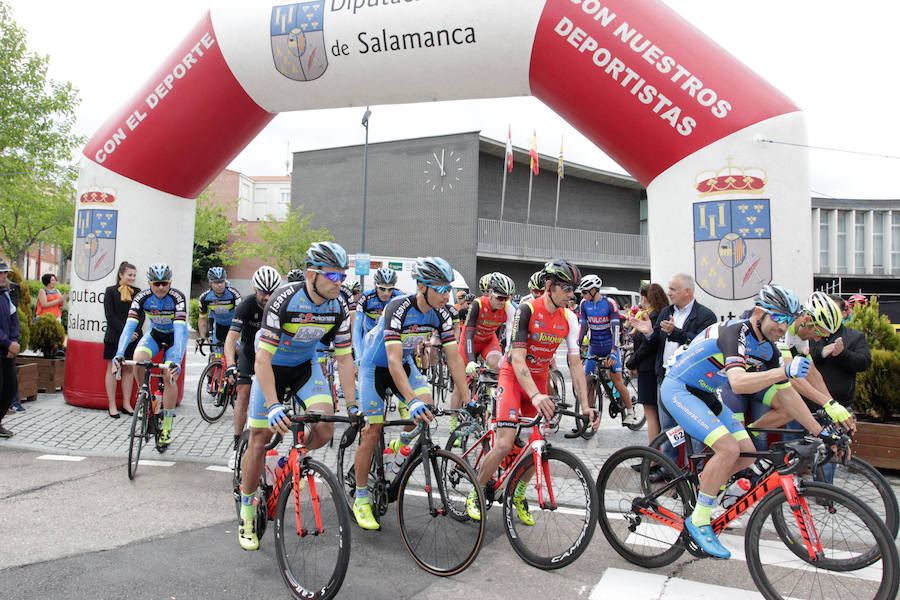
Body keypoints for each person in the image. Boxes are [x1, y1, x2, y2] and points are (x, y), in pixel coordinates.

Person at [634, 283, 837, 559]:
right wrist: (784, 372)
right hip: (679, 388)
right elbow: (739, 383)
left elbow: (787, 394)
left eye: (789, 320)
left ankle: (707, 488)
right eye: (779, 317)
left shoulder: (768, 348)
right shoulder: (735, 332)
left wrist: (820, 431)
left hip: (706, 393)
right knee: (728, 448)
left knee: (747, 452)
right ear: (760, 313)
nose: (784, 326)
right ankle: (699, 519)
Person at [237, 242, 356, 551]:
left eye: (343, 276)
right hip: (271, 368)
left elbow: (344, 359)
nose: (338, 282)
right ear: (311, 274)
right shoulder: (284, 300)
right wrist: (274, 404)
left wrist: (354, 406)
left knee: (325, 428)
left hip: (305, 368)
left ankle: (285, 466)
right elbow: (261, 360)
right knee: (259, 439)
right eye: (332, 275)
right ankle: (248, 511)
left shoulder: (339, 306)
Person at [466, 259, 600, 522]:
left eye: (574, 290)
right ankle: (477, 489)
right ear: (549, 286)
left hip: (538, 379)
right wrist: (537, 396)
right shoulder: (526, 310)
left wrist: (584, 405)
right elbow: (517, 359)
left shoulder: (570, 318)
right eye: (567, 289)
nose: (572, 295)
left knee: (535, 443)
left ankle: (518, 493)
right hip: (513, 377)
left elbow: (575, 364)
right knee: (505, 443)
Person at [352, 257, 469, 531]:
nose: (446, 294)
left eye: (448, 288)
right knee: (372, 429)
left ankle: (399, 445)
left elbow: (454, 359)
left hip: (404, 365)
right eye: (440, 288)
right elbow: (391, 361)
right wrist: (411, 400)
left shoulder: (442, 314)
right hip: (375, 368)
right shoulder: (398, 307)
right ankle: (360, 497)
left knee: (426, 409)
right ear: (421, 286)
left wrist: (469, 399)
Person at [640, 273, 717, 466]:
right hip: (665, 378)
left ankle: (699, 471)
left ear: (687, 291)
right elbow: (657, 342)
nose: (669, 293)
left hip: (692, 383)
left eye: (673, 289)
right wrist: (649, 332)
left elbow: (703, 346)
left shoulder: (705, 316)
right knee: (668, 428)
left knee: (697, 427)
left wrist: (676, 333)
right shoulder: (666, 312)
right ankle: (670, 468)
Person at [112, 264, 188, 449]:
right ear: (149, 283)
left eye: (165, 283)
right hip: (154, 335)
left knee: (168, 376)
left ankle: (167, 426)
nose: (161, 287)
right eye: (156, 283)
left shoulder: (177, 298)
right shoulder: (142, 297)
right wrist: (119, 354)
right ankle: (146, 395)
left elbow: (179, 331)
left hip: (173, 338)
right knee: (138, 358)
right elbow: (129, 326)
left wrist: (176, 361)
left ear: (169, 282)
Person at [223, 265, 282, 468]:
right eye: (263, 292)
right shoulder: (246, 305)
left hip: (272, 357)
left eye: (272, 292)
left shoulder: (281, 306)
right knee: (243, 393)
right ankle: (237, 446)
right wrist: (231, 364)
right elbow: (231, 339)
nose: (268, 297)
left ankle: (267, 448)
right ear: (255, 289)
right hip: (249, 354)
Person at [577, 274, 638, 425]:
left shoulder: (609, 303)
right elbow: (583, 327)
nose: (582, 295)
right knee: (588, 381)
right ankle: (590, 413)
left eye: (584, 292)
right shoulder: (584, 304)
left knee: (616, 381)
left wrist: (613, 351)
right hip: (594, 347)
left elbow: (616, 329)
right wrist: (577, 346)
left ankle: (630, 412)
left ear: (593, 290)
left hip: (610, 347)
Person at [625, 283, 667, 442]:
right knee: (656, 415)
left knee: (651, 415)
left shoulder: (652, 316)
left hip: (648, 369)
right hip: (650, 368)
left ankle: (653, 459)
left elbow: (647, 345)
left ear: (644, 297)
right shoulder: (659, 313)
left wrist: (631, 362)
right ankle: (656, 457)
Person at [103, 261, 142, 418]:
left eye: (134, 275)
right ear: (121, 275)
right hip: (114, 336)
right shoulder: (111, 291)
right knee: (112, 369)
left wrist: (135, 332)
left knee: (128, 369)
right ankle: (112, 404)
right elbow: (109, 315)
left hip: (133, 338)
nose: (132, 278)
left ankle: (127, 403)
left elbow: (142, 315)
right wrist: (125, 333)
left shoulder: (138, 292)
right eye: (129, 275)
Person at [197, 267, 242, 356]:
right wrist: (202, 337)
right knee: (215, 356)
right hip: (219, 328)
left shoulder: (233, 294)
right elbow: (202, 319)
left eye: (221, 281)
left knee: (237, 351)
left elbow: (240, 316)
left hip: (234, 327)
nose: (219, 285)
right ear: (210, 283)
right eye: (216, 282)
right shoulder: (204, 298)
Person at [0, 261, 20, 438]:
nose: (3, 276)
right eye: (0, 273)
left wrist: (14, 342)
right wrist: (8, 343)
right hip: (3, 346)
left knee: (10, 387)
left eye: (5, 273)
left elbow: (15, 320)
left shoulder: (5, 294)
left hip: (7, 350)